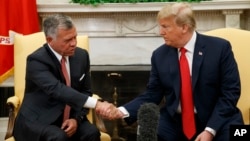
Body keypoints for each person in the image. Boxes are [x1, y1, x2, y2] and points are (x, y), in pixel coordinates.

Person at [99, 2, 244, 141]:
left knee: (240, 135)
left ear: (184, 27)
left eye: (165, 27)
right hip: (176, 122)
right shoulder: (160, 55)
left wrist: (210, 130)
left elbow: (230, 93)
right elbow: (152, 95)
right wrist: (121, 111)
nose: (161, 32)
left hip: (218, 118)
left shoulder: (219, 48)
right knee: (147, 129)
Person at [13, 14, 115, 141]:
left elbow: (85, 91)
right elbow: (57, 89)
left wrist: (76, 119)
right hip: (39, 118)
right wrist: (97, 104)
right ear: (50, 40)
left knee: (92, 133)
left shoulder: (81, 55)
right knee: (58, 137)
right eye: (68, 40)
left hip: (69, 116)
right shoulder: (36, 60)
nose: (74, 43)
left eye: (75, 37)